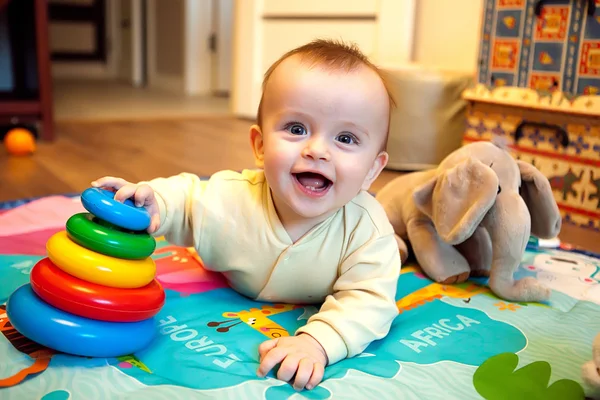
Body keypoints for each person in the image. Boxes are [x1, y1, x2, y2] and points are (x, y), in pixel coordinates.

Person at [91, 39, 401, 391]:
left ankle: (402, 248)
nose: (317, 150)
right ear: (260, 146)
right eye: (297, 129)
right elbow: (187, 198)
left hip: (358, 267)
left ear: (373, 171)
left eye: (345, 138)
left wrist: (317, 342)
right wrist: (152, 202)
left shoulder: (367, 230)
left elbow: (370, 301)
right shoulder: (231, 198)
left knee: (385, 259)